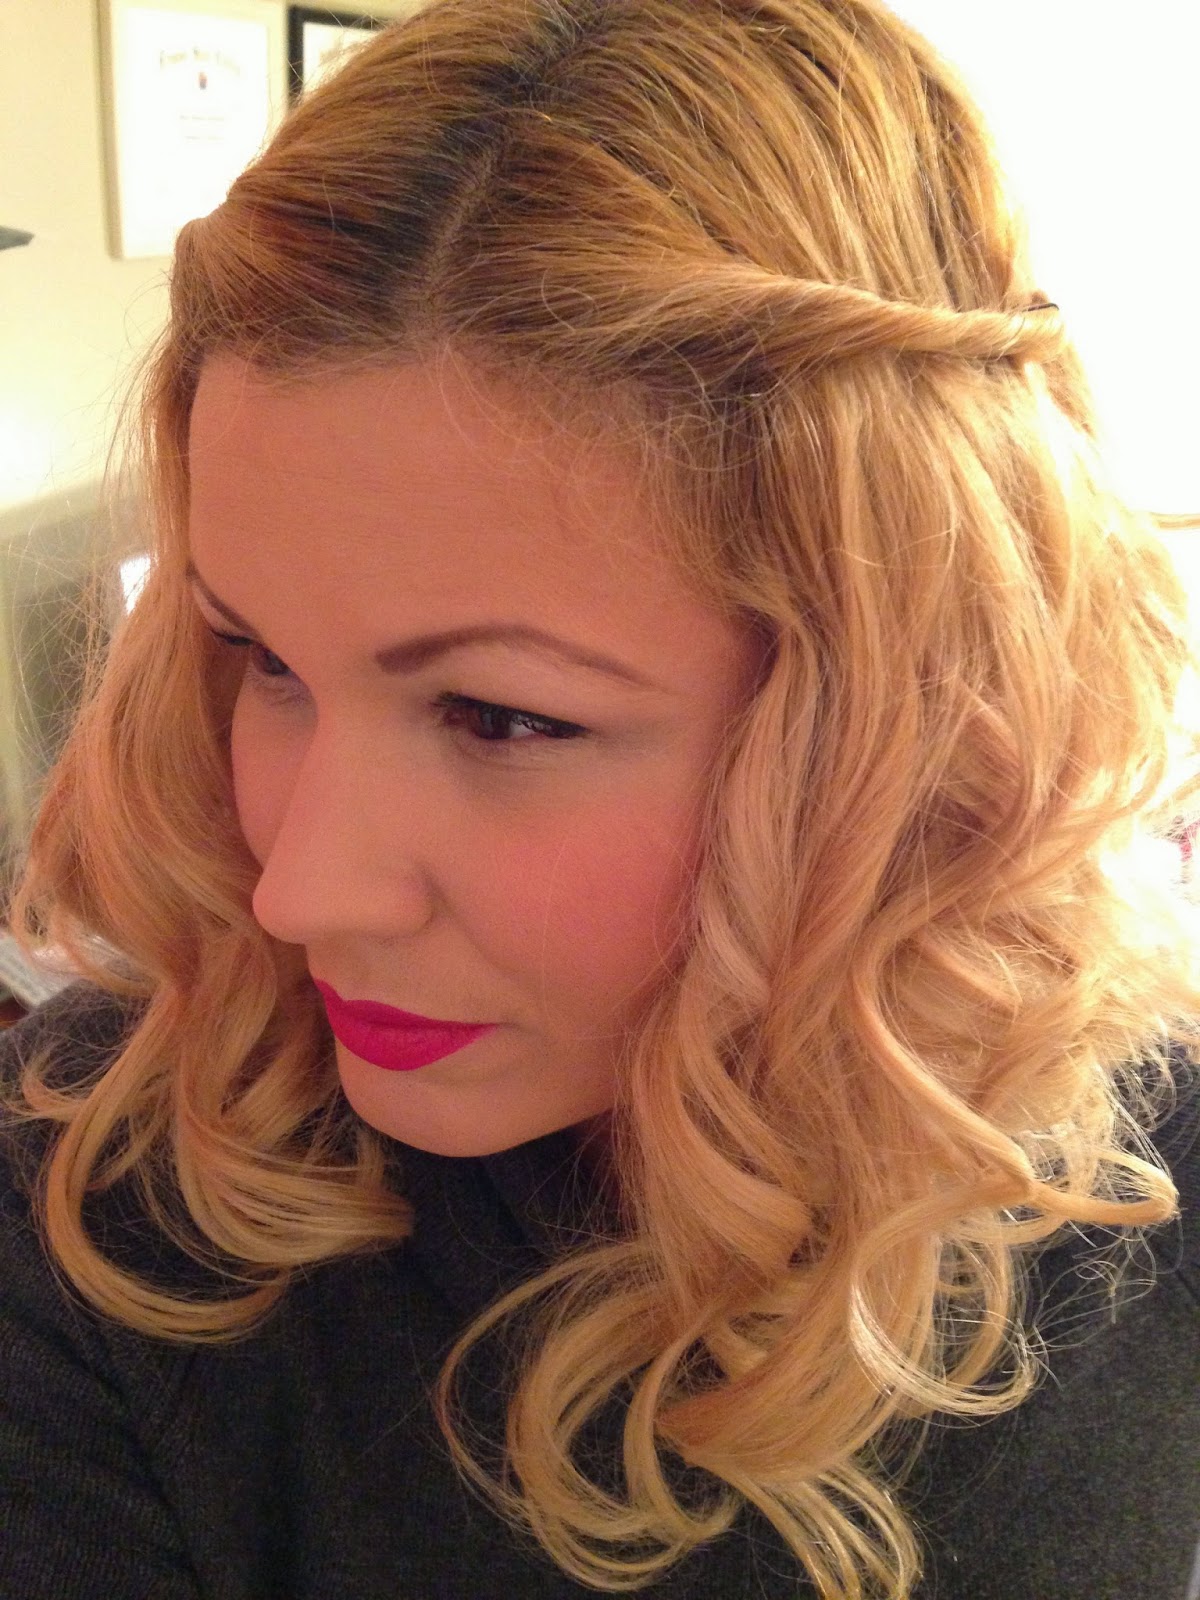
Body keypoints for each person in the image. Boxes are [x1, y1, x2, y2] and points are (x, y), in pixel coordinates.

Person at [1, 1, 1198, 1595]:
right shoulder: (91, 1205)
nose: (298, 891)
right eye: (262, 659)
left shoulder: (1153, 1166)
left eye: (502, 715)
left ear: (911, 716)